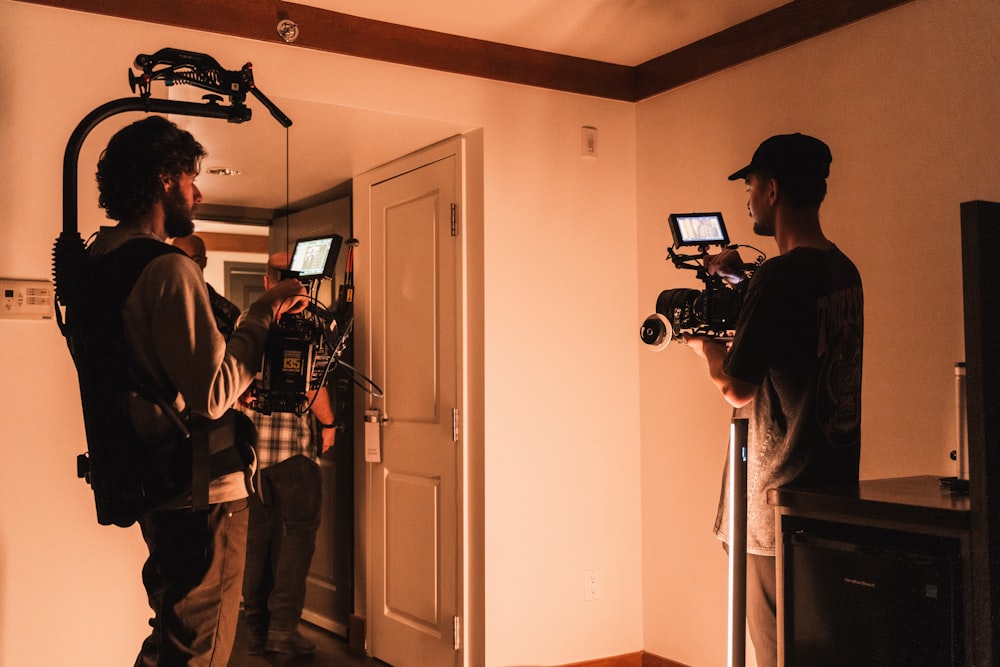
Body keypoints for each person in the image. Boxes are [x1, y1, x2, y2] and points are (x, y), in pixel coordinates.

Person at [87, 115, 308, 667]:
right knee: (200, 652)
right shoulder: (166, 269)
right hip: (201, 493)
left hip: (151, 483)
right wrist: (263, 311)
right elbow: (211, 395)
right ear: (165, 179)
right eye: (191, 178)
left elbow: (150, 373)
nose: (198, 191)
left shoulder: (97, 263)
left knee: (171, 635)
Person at [683, 133, 864, 667]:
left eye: (751, 185)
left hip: (772, 507)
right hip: (831, 494)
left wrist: (706, 347)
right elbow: (798, 341)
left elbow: (738, 387)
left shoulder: (780, 278)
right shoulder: (842, 270)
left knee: (775, 651)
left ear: (772, 189)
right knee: (818, 649)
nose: (747, 197)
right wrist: (742, 279)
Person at [240, 252, 338, 656]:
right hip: (294, 456)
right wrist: (329, 426)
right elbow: (312, 388)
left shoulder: (246, 325)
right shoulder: (307, 328)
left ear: (267, 283)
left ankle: (254, 626)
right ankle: (281, 631)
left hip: (250, 458)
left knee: (255, 542)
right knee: (297, 539)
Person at [171, 234, 242, 339]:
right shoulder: (159, 302)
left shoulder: (226, 311)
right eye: (182, 258)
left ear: (204, 261)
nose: (189, 265)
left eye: (195, 259)